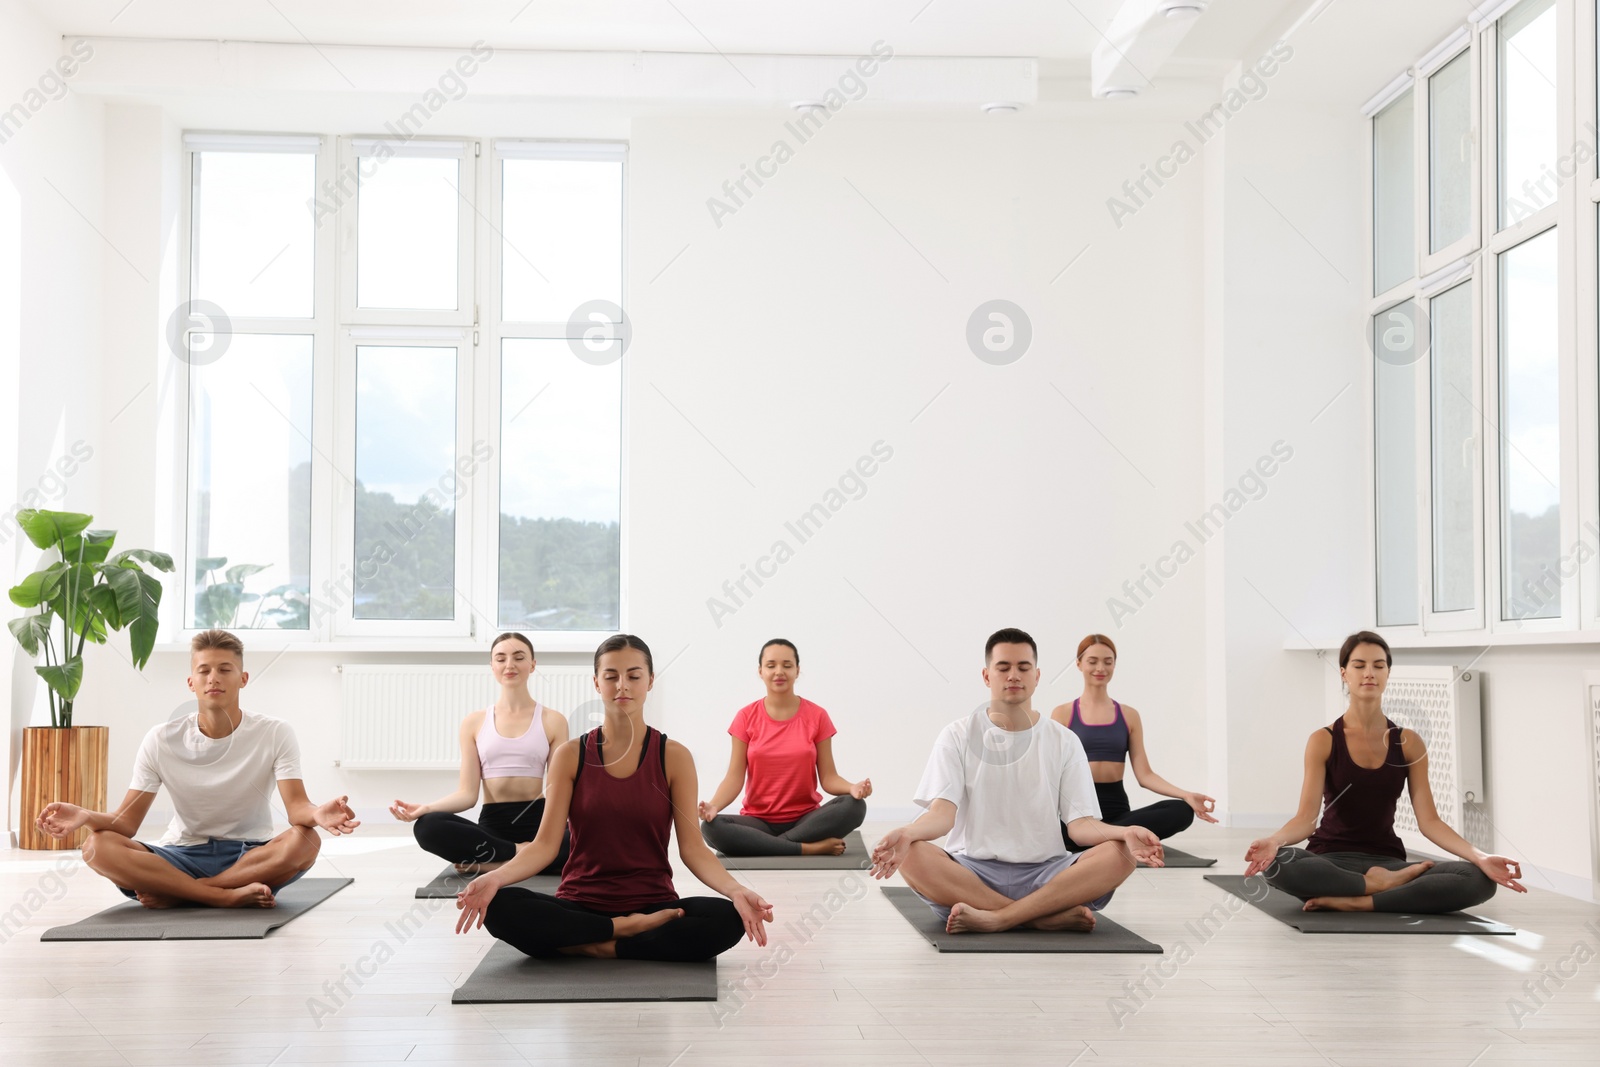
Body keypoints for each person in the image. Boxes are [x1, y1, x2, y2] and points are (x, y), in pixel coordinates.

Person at [455, 634, 773, 961]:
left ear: (650, 681)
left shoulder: (673, 756)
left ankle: (590, 944)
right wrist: (493, 878)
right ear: (596, 683)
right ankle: (623, 933)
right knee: (500, 906)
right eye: (611, 677)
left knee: (727, 919)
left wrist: (737, 890)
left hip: (654, 904)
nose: (622, 685)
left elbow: (693, 849)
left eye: (634, 676)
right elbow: (545, 846)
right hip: (580, 904)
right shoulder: (570, 755)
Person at [34, 629, 358, 908]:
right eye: (204, 670)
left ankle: (184, 895)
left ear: (243, 679)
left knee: (307, 840)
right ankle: (221, 896)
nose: (213, 677)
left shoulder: (275, 732)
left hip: (251, 859)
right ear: (191, 682)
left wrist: (317, 814)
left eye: (224, 669)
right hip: (181, 856)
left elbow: (297, 808)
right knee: (96, 846)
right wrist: (85, 817)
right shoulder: (161, 739)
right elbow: (126, 823)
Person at [871, 628, 1162, 935]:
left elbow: (1080, 826)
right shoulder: (956, 735)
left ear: (1036, 676)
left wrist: (1126, 831)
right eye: (1003, 667)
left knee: (1121, 852)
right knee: (912, 853)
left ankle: (998, 918)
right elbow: (942, 816)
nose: (1013, 675)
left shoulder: (1064, 740)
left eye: (1023, 668)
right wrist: (907, 832)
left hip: (1048, 874)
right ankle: (1039, 917)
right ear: (986, 676)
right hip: (972, 875)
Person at [1244, 631, 1522, 913]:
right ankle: (1377, 889)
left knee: (1478, 879)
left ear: (1388, 673)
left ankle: (1361, 900)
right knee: (1279, 864)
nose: (1369, 673)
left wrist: (1481, 857)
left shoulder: (1409, 742)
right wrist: (1273, 841)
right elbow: (1306, 819)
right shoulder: (1323, 740)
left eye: (1379, 665)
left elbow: (1430, 822)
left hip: (1389, 861)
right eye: (1359, 665)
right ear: (1343, 673)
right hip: (1330, 859)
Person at [390, 632, 570, 876]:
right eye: (501, 658)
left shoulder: (553, 720)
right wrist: (426, 808)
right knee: (427, 827)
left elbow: (557, 790)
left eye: (519, 658)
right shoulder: (474, 722)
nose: (510, 665)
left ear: (533, 665)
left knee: (594, 839)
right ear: (492, 666)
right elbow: (467, 794)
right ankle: (522, 854)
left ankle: (501, 863)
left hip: (539, 824)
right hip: (492, 830)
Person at [698, 638, 871, 857]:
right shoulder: (745, 717)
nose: (779, 671)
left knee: (855, 806)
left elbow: (828, 777)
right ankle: (807, 848)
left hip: (806, 820)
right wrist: (714, 806)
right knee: (711, 828)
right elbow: (734, 778)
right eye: (771, 665)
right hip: (758, 822)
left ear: (797, 671)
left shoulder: (817, 715)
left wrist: (852, 788)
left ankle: (767, 845)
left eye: (787, 665)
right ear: (760, 671)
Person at [1052, 634, 1217, 850]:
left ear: (1114, 665)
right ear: (1079, 664)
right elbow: (1053, 771)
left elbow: (1145, 775)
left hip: (1117, 809)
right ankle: (1114, 838)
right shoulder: (1063, 714)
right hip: (1080, 810)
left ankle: (1104, 837)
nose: (1100, 668)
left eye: (1108, 662)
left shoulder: (1129, 715)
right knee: (1059, 830)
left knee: (1182, 810)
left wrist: (1185, 794)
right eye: (1092, 661)